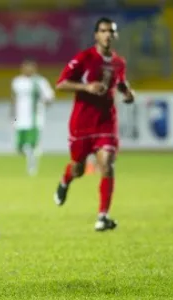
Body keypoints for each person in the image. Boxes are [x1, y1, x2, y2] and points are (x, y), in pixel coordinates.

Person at [53, 17, 135, 231]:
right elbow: (61, 84)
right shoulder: (84, 58)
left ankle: (102, 216)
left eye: (111, 31)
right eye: (103, 31)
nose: (107, 34)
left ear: (114, 35)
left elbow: (121, 84)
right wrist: (87, 87)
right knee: (78, 168)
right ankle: (65, 180)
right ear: (96, 34)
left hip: (106, 122)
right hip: (82, 123)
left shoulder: (119, 62)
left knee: (107, 164)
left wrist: (127, 93)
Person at [11, 59, 54, 176]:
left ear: (34, 68)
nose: (27, 69)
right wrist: (12, 117)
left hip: (34, 119)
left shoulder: (40, 82)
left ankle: (32, 167)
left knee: (31, 144)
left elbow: (49, 98)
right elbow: (14, 99)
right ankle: (30, 160)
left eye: (30, 67)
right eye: (25, 67)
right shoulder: (17, 81)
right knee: (19, 147)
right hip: (19, 119)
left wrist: (43, 104)